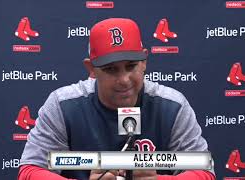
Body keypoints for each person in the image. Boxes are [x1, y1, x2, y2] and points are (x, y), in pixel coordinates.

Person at [18, 18, 216, 180]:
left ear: (144, 61)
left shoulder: (171, 106)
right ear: (91, 69)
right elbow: (30, 171)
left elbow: (204, 171)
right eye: (111, 69)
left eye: (131, 66)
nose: (123, 80)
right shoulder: (63, 105)